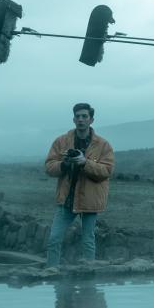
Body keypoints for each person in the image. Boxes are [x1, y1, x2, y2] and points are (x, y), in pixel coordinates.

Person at [44, 103, 115, 265]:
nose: (81, 119)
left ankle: (89, 277)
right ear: (73, 119)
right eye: (78, 116)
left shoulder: (103, 145)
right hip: (67, 199)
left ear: (91, 120)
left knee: (88, 241)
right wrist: (64, 164)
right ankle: (51, 272)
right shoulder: (61, 141)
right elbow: (48, 167)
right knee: (54, 238)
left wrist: (85, 162)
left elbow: (107, 171)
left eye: (84, 116)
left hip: (90, 199)